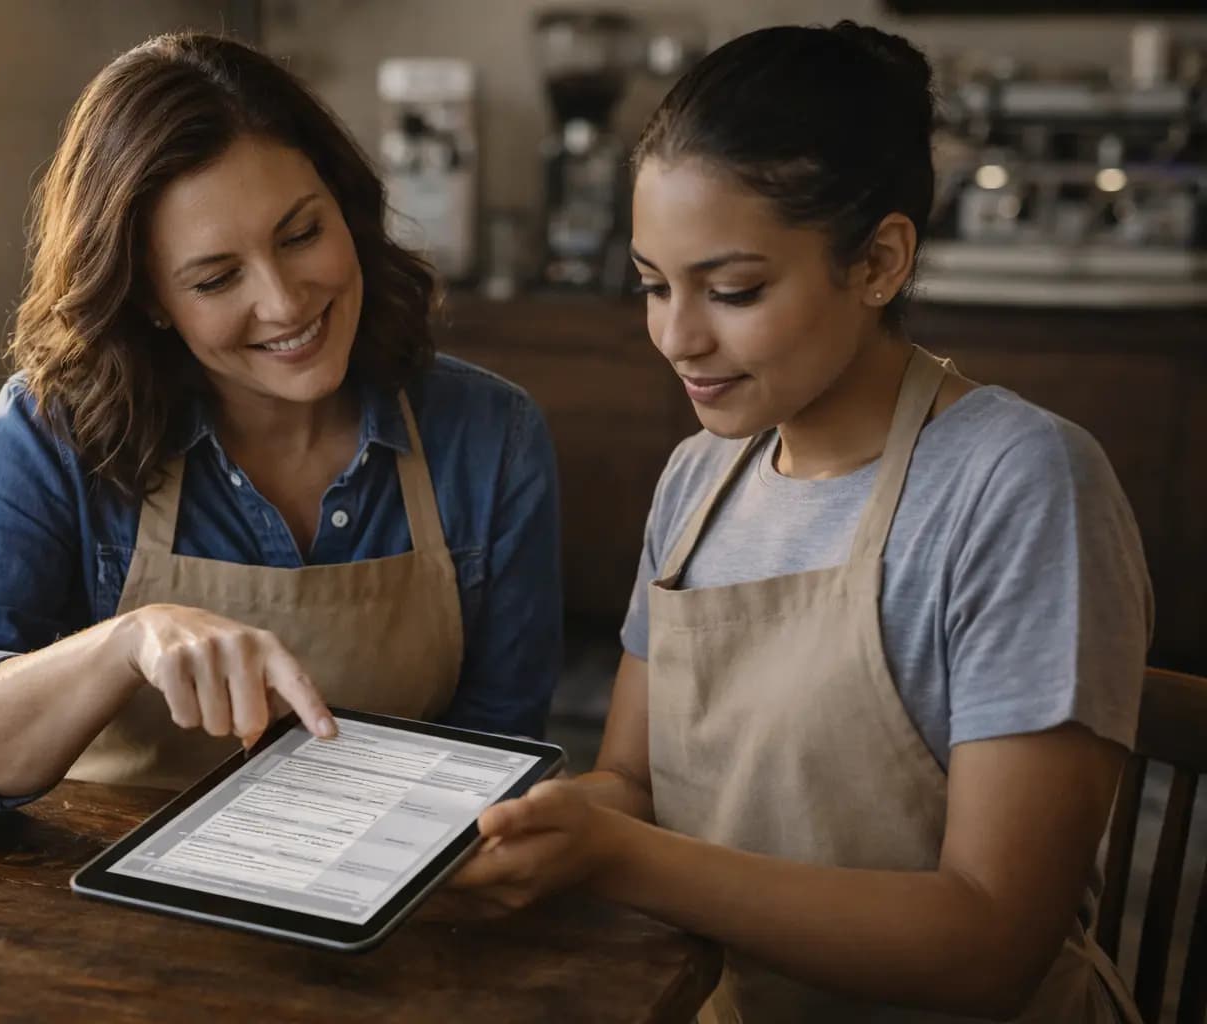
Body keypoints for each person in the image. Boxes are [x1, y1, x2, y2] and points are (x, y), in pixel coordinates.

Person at [451, 22, 1149, 1024]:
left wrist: (622, 856)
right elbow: (635, 787)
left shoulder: (1021, 486)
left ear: (878, 262)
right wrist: (538, 824)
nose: (676, 337)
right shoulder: (698, 482)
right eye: (652, 285)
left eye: (733, 290)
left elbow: (991, 941)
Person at [0, 32, 561, 827]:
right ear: (152, 298)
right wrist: (126, 644)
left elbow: (498, 766)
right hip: (96, 919)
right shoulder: (54, 429)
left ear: (346, 206)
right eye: (216, 278)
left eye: (301, 234)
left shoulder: (491, 439)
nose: (285, 302)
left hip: (385, 922)